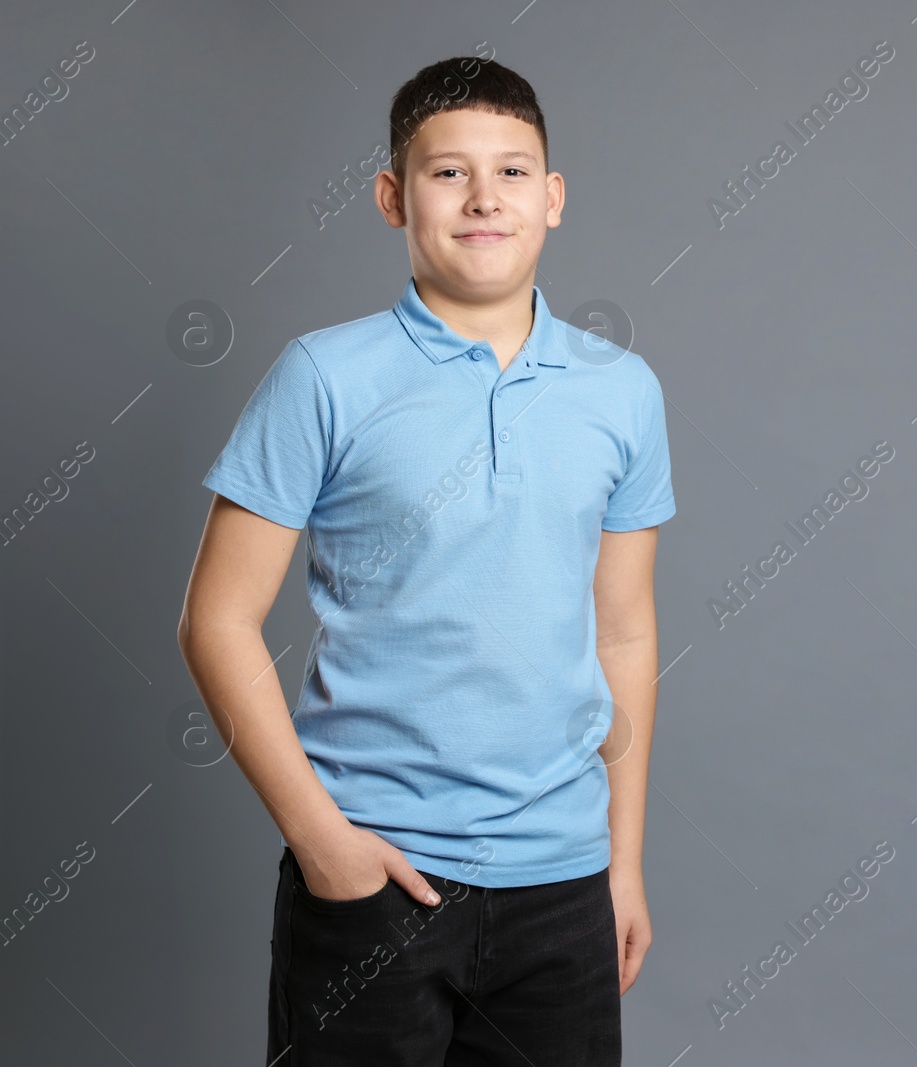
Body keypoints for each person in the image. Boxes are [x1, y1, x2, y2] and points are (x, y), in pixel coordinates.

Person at [176, 55, 674, 1066]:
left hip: (563, 883)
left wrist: (621, 863)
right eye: (448, 173)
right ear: (393, 197)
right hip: (374, 875)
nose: (485, 197)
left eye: (514, 171)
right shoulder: (323, 375)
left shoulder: (621, 390)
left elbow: (622, 628)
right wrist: (323, 841)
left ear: (555, 197)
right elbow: (215, 622)